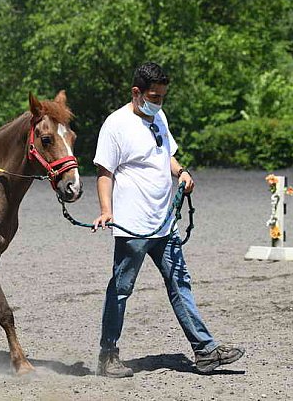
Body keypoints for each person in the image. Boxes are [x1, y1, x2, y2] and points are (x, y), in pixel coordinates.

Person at [91, 62, 244, 377]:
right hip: (132, 227)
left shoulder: (158, 117)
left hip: (165, 223)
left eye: (161, 96)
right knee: (120, 289)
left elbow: (166, 156)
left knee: (180, 285)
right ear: (137, 92)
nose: (158, 102)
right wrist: (106, 210)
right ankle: (108, 357)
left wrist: (182, 171)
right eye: (153, 96)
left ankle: (204, 351)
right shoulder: (115, 124)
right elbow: (104, 173)